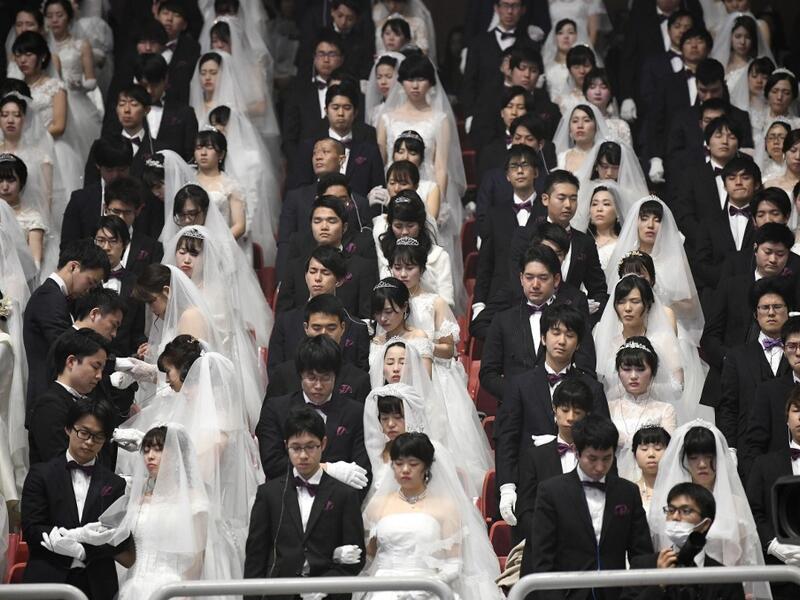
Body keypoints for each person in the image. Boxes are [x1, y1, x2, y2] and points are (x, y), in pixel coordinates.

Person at [389, 238, 494, 492]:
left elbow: (449, 349)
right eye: (397, 267)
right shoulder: (387, 300)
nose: (403, 273)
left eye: (410, 267)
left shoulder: (434, 302)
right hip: (396, 375)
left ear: (422, 269)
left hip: (435, 378)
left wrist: (422, 347)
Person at [496, 304, 607, 529]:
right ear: (544, 338)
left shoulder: (592, 388)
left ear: (578, 343)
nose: (562, 341)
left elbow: (602, 438)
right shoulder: (519, 384)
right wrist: (507, 486)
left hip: (582, 480)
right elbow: (507, 437)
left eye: (570, 335)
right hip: (531, 486)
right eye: (555, 333)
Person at [520, 413, 654, 595]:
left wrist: (631, 595)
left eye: (606, 458)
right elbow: (543, 556)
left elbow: (641, 553)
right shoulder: (551, 492)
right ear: (576, 451)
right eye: (592, 458)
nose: (600, 467)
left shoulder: (627, 492)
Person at [361, 432, 503, 600]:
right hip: (384, 587)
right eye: (398, 464)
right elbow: (368, 556)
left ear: (426, 466)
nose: (405, 470)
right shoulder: (378, 505)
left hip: (428, 588)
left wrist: (430, 585)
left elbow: (454, 562)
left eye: (413, 464)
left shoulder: (446, 507)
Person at [244, 406, 366, 595]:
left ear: (323, 444)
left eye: (310, 446)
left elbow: (357, 557)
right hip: (280, 593)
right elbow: (255, 557)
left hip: (329, 595)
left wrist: (324, 585)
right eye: (296, 447)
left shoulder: (345, 494)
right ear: (286, 445)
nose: (303, 455)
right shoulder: (269, 494)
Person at [100, 424, 230, 599]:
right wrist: (103, 542)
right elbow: (130, 555)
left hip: (174, 588)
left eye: (158, 450)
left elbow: (198, 560)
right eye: (146, 450)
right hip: (135, 588)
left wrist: (182, 593)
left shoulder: (194, 501)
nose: (150, 456)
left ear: (177, 455)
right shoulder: (138, 501)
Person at [21, 397, 129, 599]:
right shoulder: (41, 474)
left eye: (97, 436)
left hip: (98, 585)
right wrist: (75, 536)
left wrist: (83, 552)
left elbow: (116, 538)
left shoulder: (115, 484)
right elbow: (31, 528)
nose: (89, 442)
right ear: (68, 429)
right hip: (47, 579)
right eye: (83, 432)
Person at [649, 421, 770, 599]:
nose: (702, 464)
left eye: (709, 456)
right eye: (694, 457)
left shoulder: (736, 504)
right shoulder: (672, 505)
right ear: (684, 459)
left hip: (727, 589)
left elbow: (748, 556)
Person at [480, 245, 596, 400]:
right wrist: (519, 394)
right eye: (529, 277)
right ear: (521, 278)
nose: (535, 285)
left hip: (563, 408)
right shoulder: (503, 320)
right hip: (514, 411)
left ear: (556, 280)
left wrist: (560, 396)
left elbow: (586, 368)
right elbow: (488, 374)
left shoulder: (573, 317)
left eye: (542, 278)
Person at [256, 334, 370, 489]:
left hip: (339, 502)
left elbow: (361, 472)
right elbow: (273, 465)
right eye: (311, 378)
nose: (318, 385)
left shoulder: (356, 412)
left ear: (336, 376)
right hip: (287, 498)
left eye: (325, 378)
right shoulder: (276, 409)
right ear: (300, 375)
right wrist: (330, 469)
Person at [595, 274, 707, 423]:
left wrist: (640, 387)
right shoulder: (607, 342)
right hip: (614, 416)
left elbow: (677, 387)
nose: (627, 308)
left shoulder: (663, 340)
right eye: (621, 302)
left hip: (656, 417)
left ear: (647, 305)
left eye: (635, 302)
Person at [622, 482, 746, 600]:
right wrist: (659, 583)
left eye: (685, 511)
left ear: (705, 524)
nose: (675, 517)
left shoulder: (726, 577)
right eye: (671, 510)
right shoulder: (643, 565)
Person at [23, 239, 109, 405]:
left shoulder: (58, 297)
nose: (89, 290)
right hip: (47, 399)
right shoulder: (49, 297)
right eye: (90, 282)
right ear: (73, 267)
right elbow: (66, 346)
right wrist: (118, 363)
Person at [513, 378, 595, 542]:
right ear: (554, 410)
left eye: (577, 412)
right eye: (564, 410)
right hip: (545, 546)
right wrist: (546, 538)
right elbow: (525, 510)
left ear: (588, 415)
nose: (570, 417)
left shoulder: (600, 456)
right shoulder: (534, 457)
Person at [717, 278, 791, 452]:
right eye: (765, 308)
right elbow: (728, 407)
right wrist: (730, 449)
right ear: (755, 314)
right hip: (749, 450)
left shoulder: (796, 352)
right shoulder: (736, 356)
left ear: (788, 311)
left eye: (777, 307)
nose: (771, 313)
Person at [278, 201, 377, 319]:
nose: (324, 227)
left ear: (344, 227)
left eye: (331, 221)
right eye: (317, 221)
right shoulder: (295, 266)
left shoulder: (362, 267)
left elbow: (366, 317)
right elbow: (283, 315)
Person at [746, 391, 800, 600]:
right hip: (778, 571)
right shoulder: (764, 464)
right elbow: (752, 509)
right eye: (796, 410)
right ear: (786, 418)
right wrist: (774, 545)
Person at [267, 294, 371, 402]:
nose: (323, 334)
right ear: (306, 328)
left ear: (343, 328)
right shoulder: (284, 375)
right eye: (317, 328)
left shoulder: (358, 380)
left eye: (331, 328)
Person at [27, 328, 109, 465]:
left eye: (102, 370)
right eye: (95, 367)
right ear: (71, 362)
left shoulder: (85, 400)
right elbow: (58, 460)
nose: (99, 376)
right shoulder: (49, 405)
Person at [289, 81, 385, 197]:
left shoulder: (369, 151)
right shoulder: (309, 147)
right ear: (326, 111)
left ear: (355, 113)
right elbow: (299, 189)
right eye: (335, 107)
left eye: (347, 108)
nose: (340, 113)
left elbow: (378, 189)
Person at [609, 337, 677, 482]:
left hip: (654, 479)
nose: (633, 376)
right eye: (626, 369)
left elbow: (667, 452)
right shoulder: (608, 407)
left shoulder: (665, 410)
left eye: (640, 369)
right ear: (618, 372)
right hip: (612, 477)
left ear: (652, 372)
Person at [377, 190, 455, 308]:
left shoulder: (438, 257)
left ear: (420, 224)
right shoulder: (384, 254)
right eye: (398, 226)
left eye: (410, 226)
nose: (404, 232)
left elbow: (447, 302)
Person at [742, 315, 800, 475]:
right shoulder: (768, 391)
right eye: (792, 346)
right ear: (783, 349)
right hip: (780, 484)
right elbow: (755, 443)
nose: (798, 352)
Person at [61, 136, 132, 248]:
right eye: (109, 170)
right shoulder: (80, 200)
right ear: (98, 166)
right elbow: (68, 247)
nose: (115, 175)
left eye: (122, 169)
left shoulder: (144, 198)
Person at [631, 426, 671, 514]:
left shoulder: (679, 490)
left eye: (658, 448)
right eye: (644, 449)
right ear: (634, 455)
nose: (651, 454)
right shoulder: (629, 491)